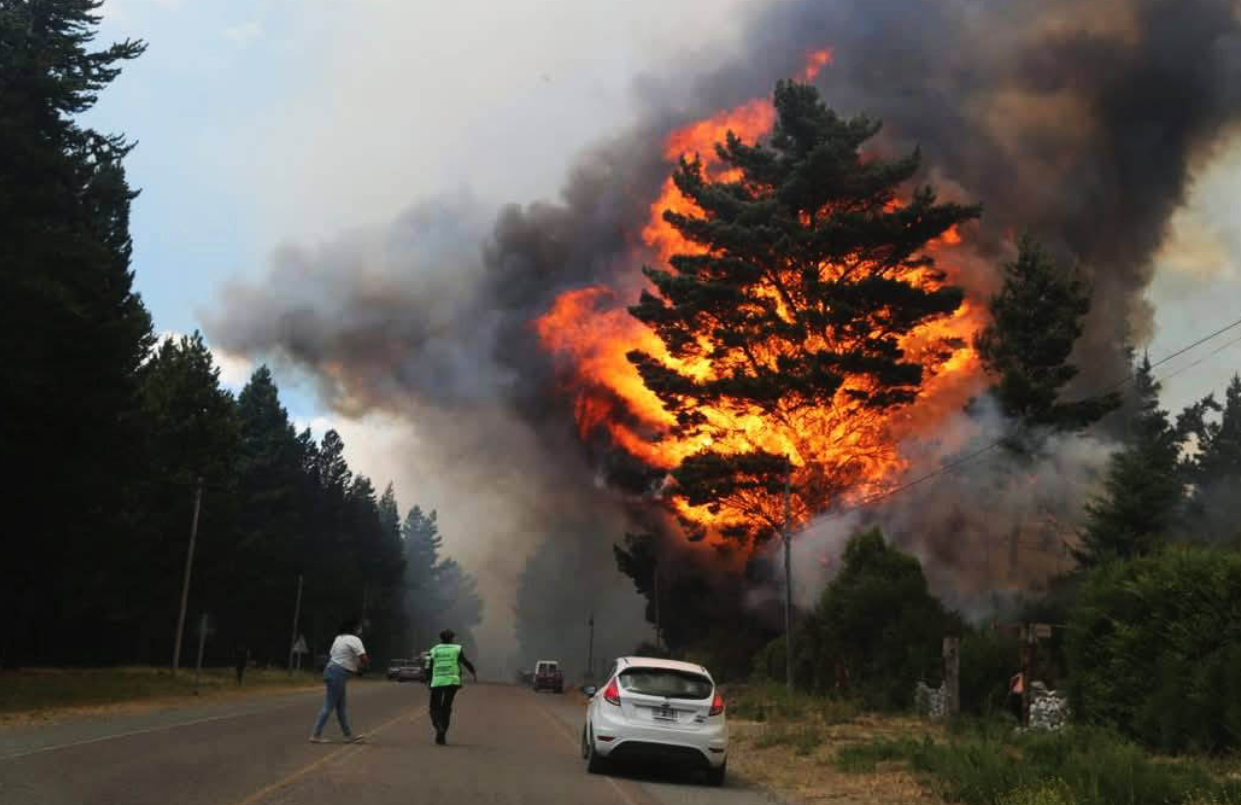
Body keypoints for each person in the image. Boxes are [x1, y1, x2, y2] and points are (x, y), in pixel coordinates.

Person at [309, 617, 369, 743]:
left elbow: (333, 655)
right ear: (354, 628)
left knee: (340, 707)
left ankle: (348, 736)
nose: (360, 629)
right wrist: (361, 669)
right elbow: (364, 658)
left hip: (331, 670)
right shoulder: (355, 639)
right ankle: (315, 735)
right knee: (329, 705)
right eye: (359, 627)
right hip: (338, 673)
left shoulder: (339, 638)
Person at [426, 629, 477, 745]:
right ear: (452, 638)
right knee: (446, 708)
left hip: (437, 681)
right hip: (452, 681)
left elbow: (428, 666)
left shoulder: (434, 650)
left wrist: (428, 680)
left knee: (434, 708)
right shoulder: (456, 649)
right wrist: (473, 672)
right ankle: (442, 736)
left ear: (441, 638)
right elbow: (465, 662)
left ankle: (438, 727)